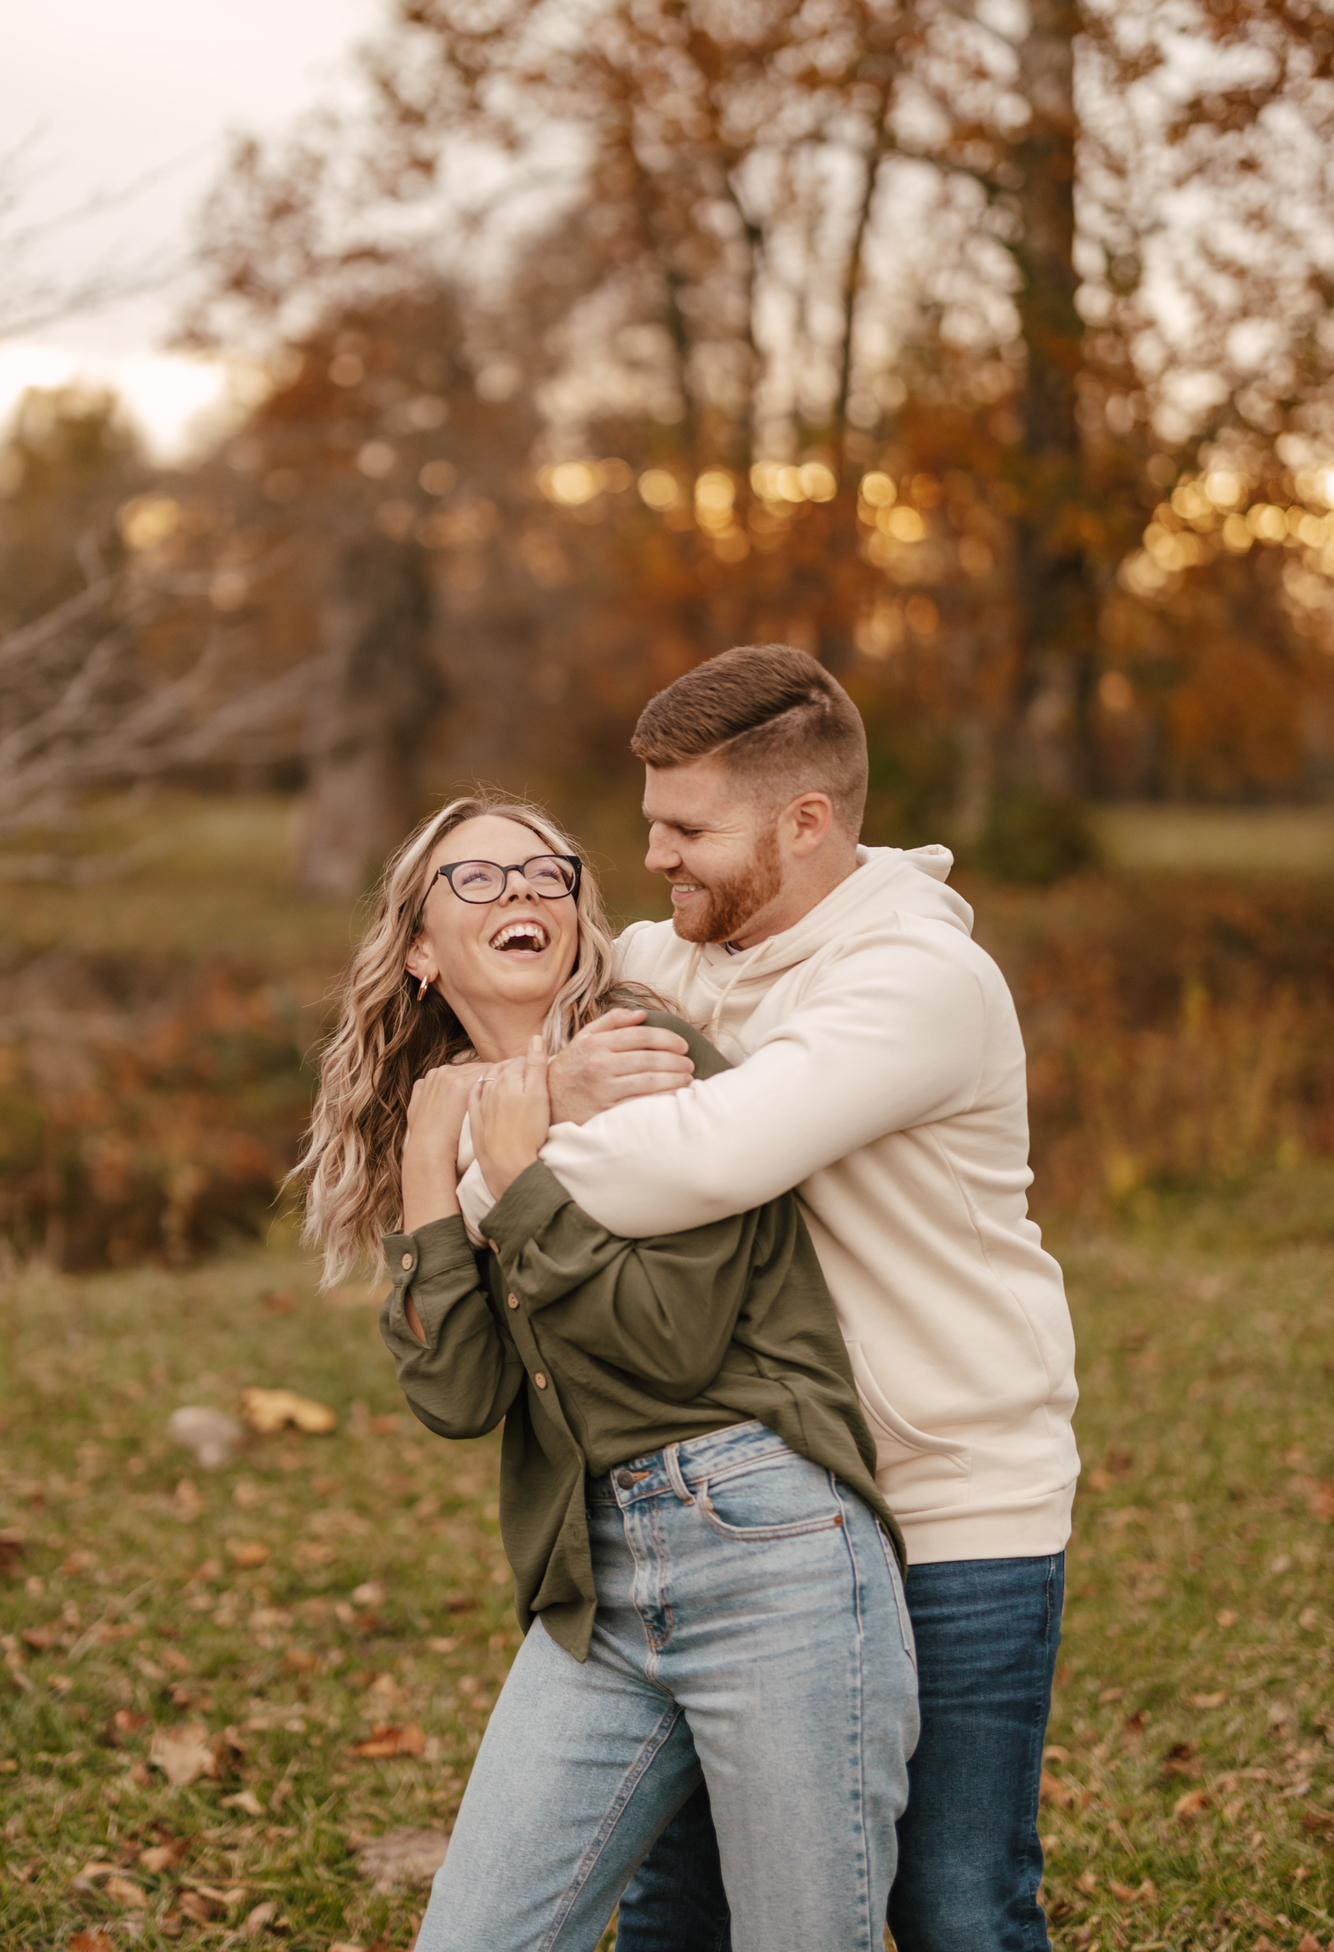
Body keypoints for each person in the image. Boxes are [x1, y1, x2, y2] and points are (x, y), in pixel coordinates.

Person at [506, 645, 1080, 1952]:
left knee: (953, 1909)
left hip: (947, 1510)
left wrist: (509, 1149)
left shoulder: (914, 982)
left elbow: (703, 1164)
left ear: (805, 823)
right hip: (763, 1517)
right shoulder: (678, 954)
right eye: (648, 819)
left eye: (686, 827)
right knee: (676, 1908)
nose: (652, 855)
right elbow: (513, 1005)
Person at [295, 793, 918, 1952]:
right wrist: (436, 1164)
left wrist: (517, 1175)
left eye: (545, 872)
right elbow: (458, 1395)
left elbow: (671, 1343)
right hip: (596, 1588)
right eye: (475, 879)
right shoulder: (465, 1115)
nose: (523, 891)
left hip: (771, 1547)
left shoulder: (645, 1055)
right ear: (419, 951)